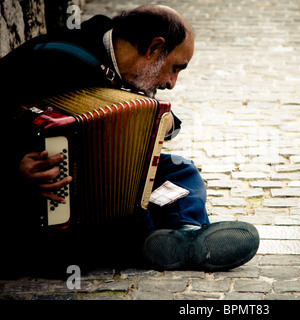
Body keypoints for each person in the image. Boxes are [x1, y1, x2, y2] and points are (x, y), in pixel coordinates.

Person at [0, 5, 259, 275]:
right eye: (174, 68)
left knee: (179, 168)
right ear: (154, 48)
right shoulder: (54, 59)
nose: (172, 83)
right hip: (48, 196)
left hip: (106, 178)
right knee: (124, 212)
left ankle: (186, 231)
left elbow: (166, 123)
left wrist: (163, 121)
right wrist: (15, 164)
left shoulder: (128, 67)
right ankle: (158, 238)